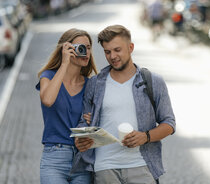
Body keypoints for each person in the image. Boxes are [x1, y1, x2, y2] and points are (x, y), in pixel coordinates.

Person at [72, 25, 176, 183]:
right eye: (107, 52)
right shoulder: (95, 84)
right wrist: (81, 138)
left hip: (142, 166)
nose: (112, 56)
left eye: (117, 50)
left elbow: (169, 123)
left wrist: (145, 136)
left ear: (131, 47)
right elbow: (83, 122)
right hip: (104, 168)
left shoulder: (153, 81)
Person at [35, 28, 97, 184]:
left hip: (82, 159)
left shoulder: (91, 86)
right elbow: (48, 100)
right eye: (80, 48)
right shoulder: (48, 76)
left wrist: (93, 120)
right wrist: (64, 64)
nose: (86, 52)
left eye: (88, 48)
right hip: (54, 158)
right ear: (66, 49)